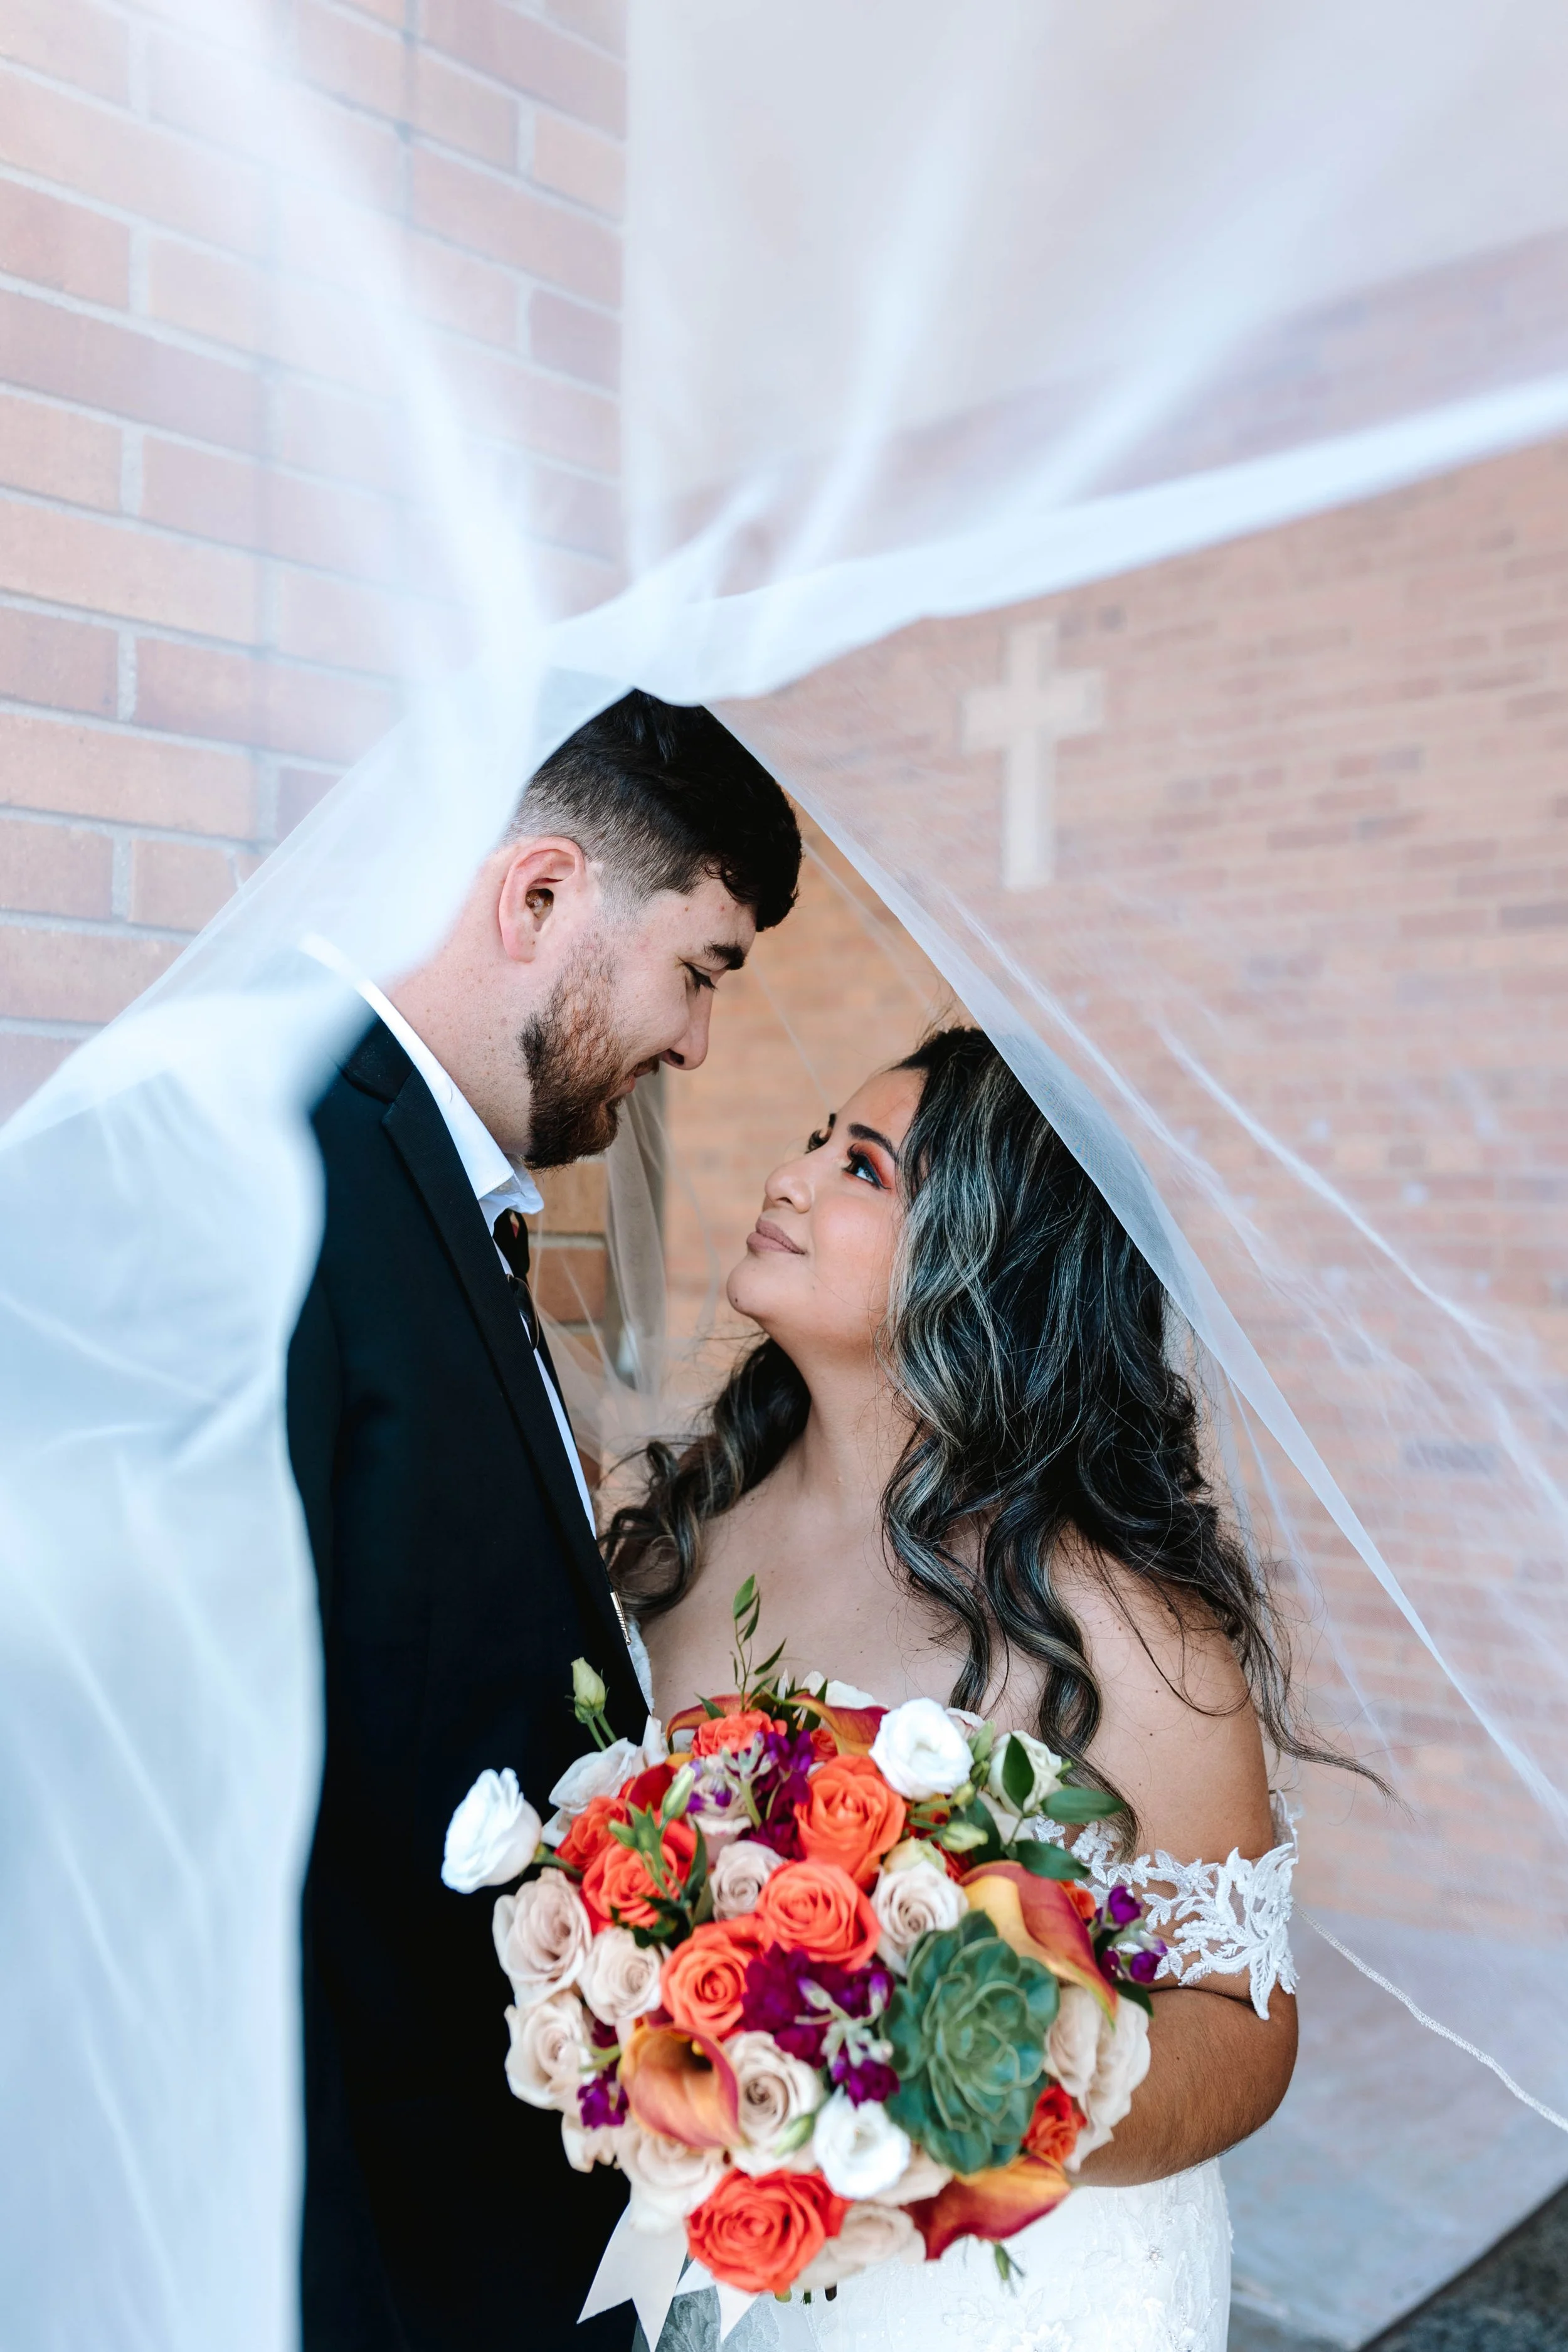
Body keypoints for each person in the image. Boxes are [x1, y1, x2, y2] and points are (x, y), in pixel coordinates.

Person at [610, 1025, 1341, 2352]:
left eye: (861, 1170)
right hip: (704, 2264)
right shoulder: (678, 1534)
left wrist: (995, 2098)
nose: (788, 1177)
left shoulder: (1118, 1625)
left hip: (1000, 2299)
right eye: (817, 1142)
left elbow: (1240, 2025)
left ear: (985, 1270)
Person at [285, 692, 802, 2352]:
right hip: (369, 2248)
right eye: (701, 968)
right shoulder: (295, 1178)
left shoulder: (450, 1190)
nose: (696, 1043)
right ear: (539, 898)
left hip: (506, 2231)